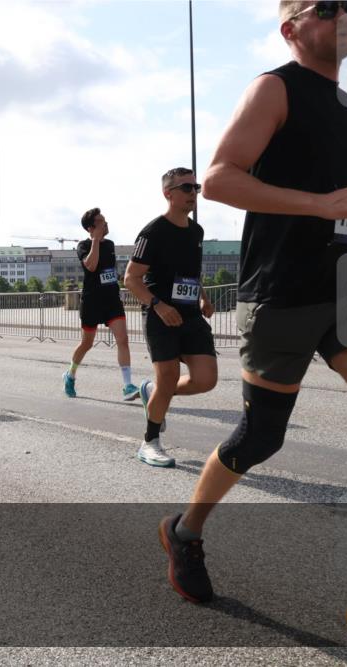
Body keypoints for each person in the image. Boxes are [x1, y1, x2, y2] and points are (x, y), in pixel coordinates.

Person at [157, 1, 347, 655]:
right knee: (260, 435)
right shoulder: (274, 88)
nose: (344, 16)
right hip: (282, 293)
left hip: (343, 285)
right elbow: (217, 178)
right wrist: (323, 202)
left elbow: (331, 204)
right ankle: (185, 529)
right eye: (327, 7)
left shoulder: (344, 106)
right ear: (293, 28)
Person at [125, 168, 217, 467]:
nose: (194, 193)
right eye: (187, 188)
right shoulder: (153, 232)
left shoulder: (196, 231)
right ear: (169, 194)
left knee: (206, 380)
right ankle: (150, 442)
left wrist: (203, 295)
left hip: (190, 314)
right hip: (161, 315)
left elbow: (191, 271)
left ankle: (153, 392)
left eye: (196, 187)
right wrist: (159, 306)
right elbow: (131, 279)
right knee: (169, 377)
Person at [63, 208, 140, 401]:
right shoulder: (83, 245)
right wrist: (95, 241)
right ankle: (70, 375)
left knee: (123, 340)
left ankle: (128, 385)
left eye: (106, 221)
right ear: (91, 227)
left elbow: (108, 270)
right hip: (92, 301)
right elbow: (91, 266)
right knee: (87, 343)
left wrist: (124, 279)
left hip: (112, 300)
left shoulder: (111, 244)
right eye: (101, 222)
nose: (106, 224)